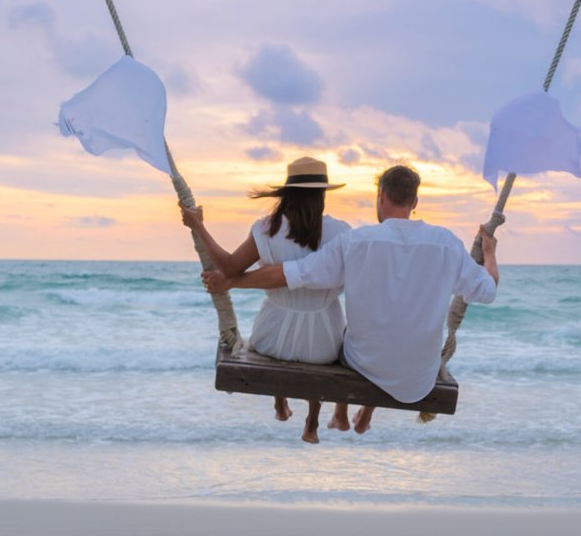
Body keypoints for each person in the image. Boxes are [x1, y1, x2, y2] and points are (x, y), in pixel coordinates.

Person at [202, 164, 499, 434]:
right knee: (372, 336)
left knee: (355, 342)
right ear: (415, 202)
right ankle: (358, 416)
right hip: (418, 379)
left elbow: (296, 273)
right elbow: (488, 290)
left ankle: (343, 415)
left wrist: (233, 281)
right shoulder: (446, 244)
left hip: (364, 363)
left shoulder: (356, 241)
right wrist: (489, 252)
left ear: (381, 195)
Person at [181, 157, 352, 443]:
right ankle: (312, 421)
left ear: (287, 194)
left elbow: (230, 268)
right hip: (324, 343)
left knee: (276, 337)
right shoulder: (342, 233)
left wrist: (198, 226)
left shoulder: (267, 229)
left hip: (272, 340)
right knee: (319, 356)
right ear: (322, 196)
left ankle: (280, 402)